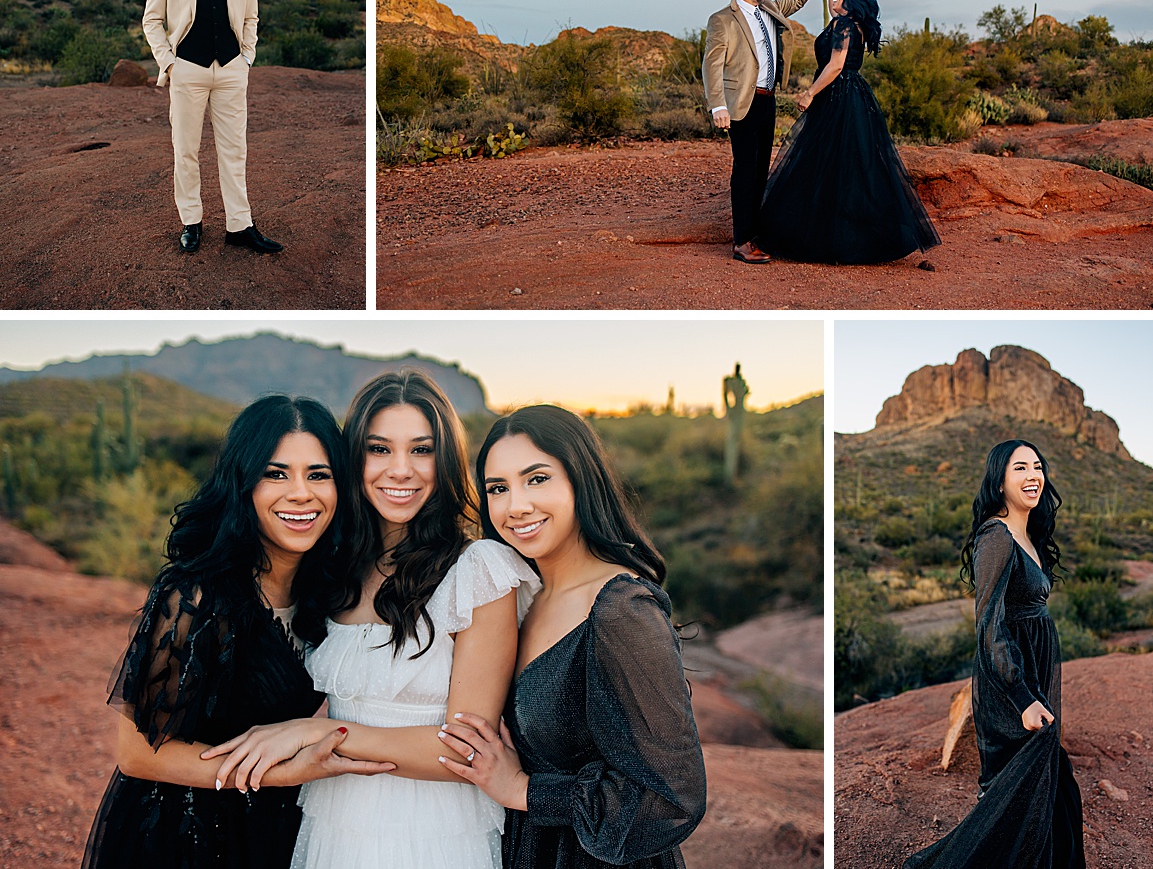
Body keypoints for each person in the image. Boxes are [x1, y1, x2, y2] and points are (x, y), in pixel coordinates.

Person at [203, 371, 540, 869]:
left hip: (433, 831)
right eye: (379, 449)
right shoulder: (336, 567)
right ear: (353, 459)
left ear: (444, 459)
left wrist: (310, 733)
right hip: (332, 817)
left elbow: (469, 750)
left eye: (421, 450)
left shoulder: (478, 569)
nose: (400, 470)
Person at [81, 395, 392, 869]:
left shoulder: (325, 591)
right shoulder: (198, 594)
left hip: (269, 831)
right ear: (243, 483)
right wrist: (281, 774)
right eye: (275, 474)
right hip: (181, 835)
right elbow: (138, 753)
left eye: (318, 475)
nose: (300, 494)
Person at [439, 404, 707, 869]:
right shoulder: (527, 596)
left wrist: (524, 790)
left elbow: (673, 796)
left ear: (580, 480)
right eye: (497, 488)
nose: (515, 505)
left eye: (536, 479)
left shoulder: (619, 608)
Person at [902, 441, 1085, 868]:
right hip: (1009, 682)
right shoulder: (996, 537)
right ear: (1000, 481)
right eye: (1019, 468)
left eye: (1037, 467)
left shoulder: (1029, 534)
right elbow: (989, 624)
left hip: (1032, 670)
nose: (1032, 476)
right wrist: (1022, 698)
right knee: (1017, 797)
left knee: (1050, 791)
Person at [756, 0, 940, 264]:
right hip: (853, 95)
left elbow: (836, 64)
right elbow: (833, 6)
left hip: (836, 94)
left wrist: (809, 92)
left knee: (828, 163)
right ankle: (851, 233)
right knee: (851, 164)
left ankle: (830, 236)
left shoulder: (843, 25)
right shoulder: (853, 23)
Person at [142, 0, 282, 255]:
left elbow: (251, 14)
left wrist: (247, 57)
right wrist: (169, 62)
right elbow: (152, 20)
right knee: (185, 149)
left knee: (235, 150)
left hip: (232, 69)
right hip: (187, 68)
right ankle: (191, 222)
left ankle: (240, 225)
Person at [702, 0, 836, 264]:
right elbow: (712, 65)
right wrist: (717, 105)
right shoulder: (722, 19)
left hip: (767, 99)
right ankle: (742, 242)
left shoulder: (769, 8)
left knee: (761, 169)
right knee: (745, 170)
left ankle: (755, 232)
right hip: (740, 103)